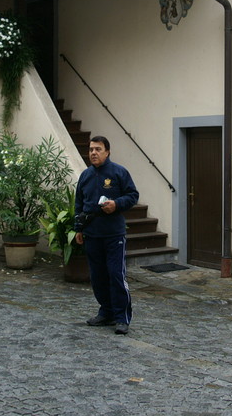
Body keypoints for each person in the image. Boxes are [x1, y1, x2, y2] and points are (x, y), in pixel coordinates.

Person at [74, 136, 139, 335]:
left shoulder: (119, 172)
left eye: (98, 149)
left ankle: (122, 318)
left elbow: (133, 195)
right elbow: (78, 203)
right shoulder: (85, 175)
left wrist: (116, 204)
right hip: (92, 234)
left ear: (107, 151)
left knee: (116, 275)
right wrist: (78, 228)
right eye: (91, 149)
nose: (94, 153)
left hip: (113, 234)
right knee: (98, 276)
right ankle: (106, 312)